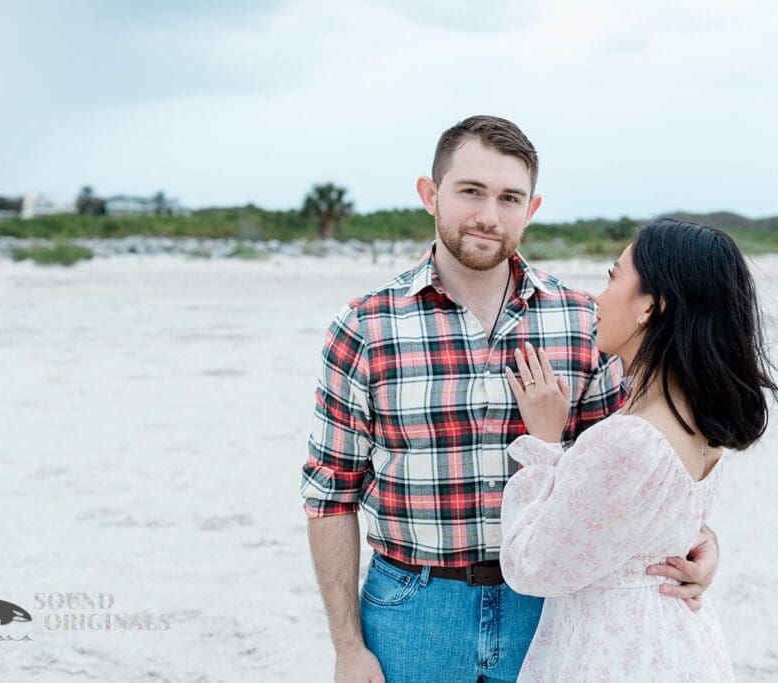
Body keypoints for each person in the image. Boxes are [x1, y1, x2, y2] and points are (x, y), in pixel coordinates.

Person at [301, 116, 720, 683]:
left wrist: (701, 540)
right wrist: (347, 648)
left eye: (509, 198)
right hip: (413, 607)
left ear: (533, 207)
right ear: (430, 194)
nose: (489, 216)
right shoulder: (365, 327)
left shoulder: (584, 323)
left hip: (554, 605)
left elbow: (637, 469)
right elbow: (330, 495)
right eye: (470, 192)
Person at [500, 218, 778, 681]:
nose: (597, 296)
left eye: (613, 277)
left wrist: (545, 444)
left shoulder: (626, 439)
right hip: (677, 644)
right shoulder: (703, 425)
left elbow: (530, 567)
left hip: (612, 651)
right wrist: (707, 543)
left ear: (650, 307)